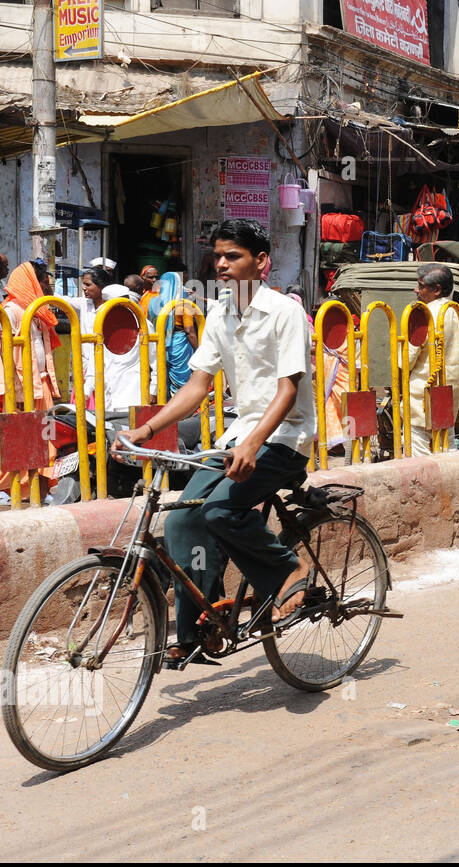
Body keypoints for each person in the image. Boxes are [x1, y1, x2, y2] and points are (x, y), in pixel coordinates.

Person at [115, 218, 316, 666]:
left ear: (260, 262)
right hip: (241, 435)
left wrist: (251, 445)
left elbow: (287, 390)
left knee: (221, 510)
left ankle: (290, 572)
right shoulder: (221, 314)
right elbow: (197, 386)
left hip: (285, 438)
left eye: (234, 256)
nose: (222, 265)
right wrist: (146, 430)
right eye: (219, 256)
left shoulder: (284, 313)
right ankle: (194, 631)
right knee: (183, 521)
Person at [1, 261, 63, 502]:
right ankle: (11, 491)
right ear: (32, 283)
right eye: (44, 281)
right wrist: (13, 391)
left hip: (41, 387)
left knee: (45, 442)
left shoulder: (37, 313)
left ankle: (39, 491)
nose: (48, 285)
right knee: (19, 441)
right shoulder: (11, 311)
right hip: (21, 391)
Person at [74, 268, 157, 411]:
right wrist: (86, 390)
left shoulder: (144, 325)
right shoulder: (102, 327)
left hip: (134, 398)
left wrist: (153, 391)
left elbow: (155, 361)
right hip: (107, 401)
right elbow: (96, 362)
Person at [407, 263, 459, 456]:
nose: (416, 290)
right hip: (448, 398)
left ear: (437, 290)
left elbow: (406, 360)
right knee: (447, 450)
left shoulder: (422, 314)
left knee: (419, 458)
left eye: (421, 286)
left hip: (420, 398)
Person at [149, 271, 200, 399]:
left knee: (162, 377)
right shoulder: (183, 304)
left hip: (158, 344)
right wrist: (199, 350)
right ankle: (181, 410)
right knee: (182, 383)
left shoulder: (152, 302)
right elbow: (189, 331)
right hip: (179, 346)